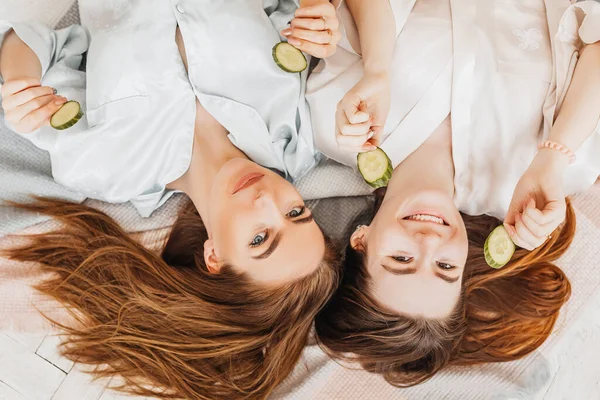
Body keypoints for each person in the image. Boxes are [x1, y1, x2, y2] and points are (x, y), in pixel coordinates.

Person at [0, 1, 343, 398]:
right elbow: (293, 13)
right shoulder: (300, 134)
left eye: (259, 239)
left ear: (214, 257)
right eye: (296, 212)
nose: (267, 199)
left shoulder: (107, 167)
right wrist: (320, 19)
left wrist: (19, 86)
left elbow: (32, 41)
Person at [308, 0, 600, 386]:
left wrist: (376, 68)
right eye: (445, 267)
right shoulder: (542, 182)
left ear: (361, 241)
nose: (429, 242)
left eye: (401, 258)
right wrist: (554, 155)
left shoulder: (340, 127)